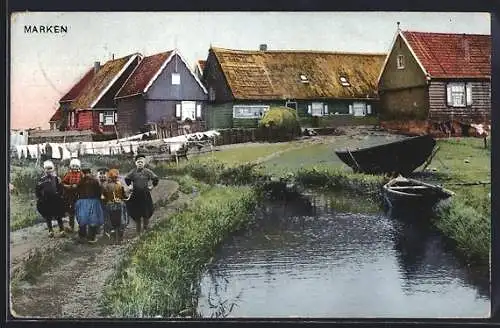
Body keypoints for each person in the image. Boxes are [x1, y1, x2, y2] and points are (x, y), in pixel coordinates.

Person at [125, 154, 159, 234]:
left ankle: (146, 229)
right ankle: (138, 231)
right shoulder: (133, 172)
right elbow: (127, 179)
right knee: (137, 214)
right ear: (135, 163)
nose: (140, 163)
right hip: (136, 195)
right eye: (138, 162)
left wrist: (152, 187)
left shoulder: (148, 171)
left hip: (145, 195)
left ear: (144, 163)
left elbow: (155, 179)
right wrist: (130, 186)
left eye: (142, 162)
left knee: (146, 212)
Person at [35, 160, 66, 238]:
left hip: (56, 200)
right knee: (48, 216)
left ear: (53, 169)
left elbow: (60, 188)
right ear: (44, 169)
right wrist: (40, 198)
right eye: (46, 169)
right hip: (46, 201)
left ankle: (61, 229)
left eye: (50, 168)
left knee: (58, 215)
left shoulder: (56, 178)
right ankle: (50, 230)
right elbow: (37, 190)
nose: (48, 170)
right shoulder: (41, 179)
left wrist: (60, 195)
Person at [74, 167, 104, 243]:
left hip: (85, 201)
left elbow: (77, 191)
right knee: (91, 219)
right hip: (90, 201)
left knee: (84, 219)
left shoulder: (81, 181)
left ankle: (84, 236)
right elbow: (99, 191)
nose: (87, 175)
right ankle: (89, 237)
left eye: (87, 173)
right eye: (86, 173)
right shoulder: (93, 181)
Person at [101, 168, 128, 242]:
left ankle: (113, 238)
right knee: (121, 221)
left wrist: (106, 200)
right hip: (119, 204)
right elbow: (124, 196)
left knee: (110, 221)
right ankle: (120, 238)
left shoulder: (106, 186)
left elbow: (103, 196)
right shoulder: (120, 185)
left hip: (110, 205)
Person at [62, 159, 84, 233]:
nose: (74, 167)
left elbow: (84, 182)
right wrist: (69, 186)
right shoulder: (68, 174)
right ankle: (71, 226)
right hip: (70, 195)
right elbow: (63, 183)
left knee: (79, 211)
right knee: (71, 212)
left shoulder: (81, 174)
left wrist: (79, 186)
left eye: (76, 166)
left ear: (79, 167)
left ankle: (81, 227)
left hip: (79, 195)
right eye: (73, 166)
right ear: (71, 166)